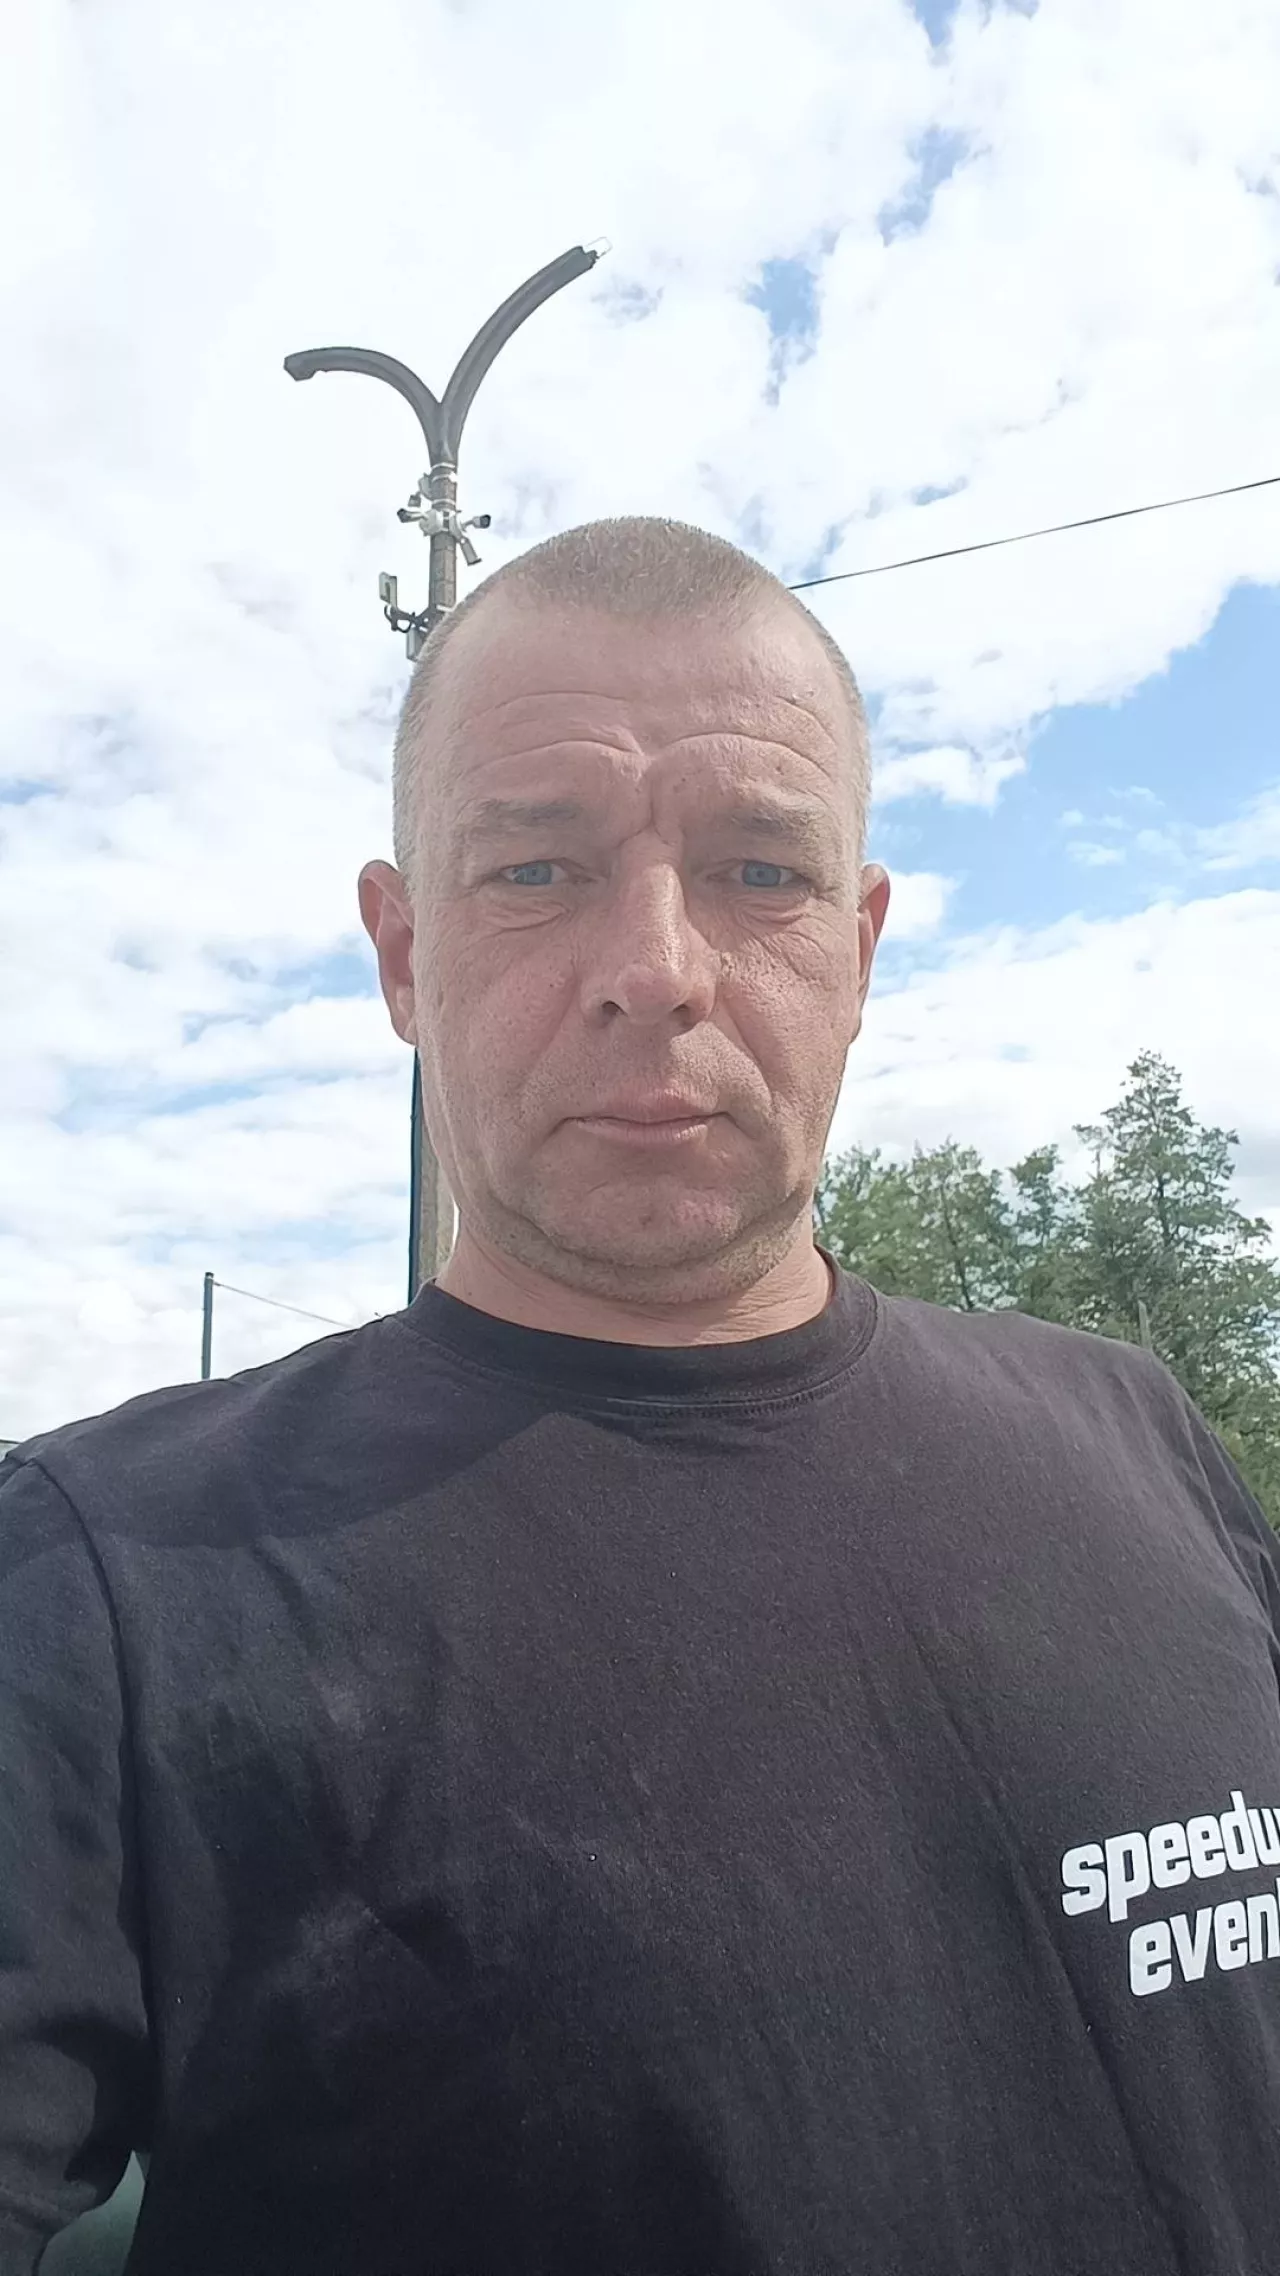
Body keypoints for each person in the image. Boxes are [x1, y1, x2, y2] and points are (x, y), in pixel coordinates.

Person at [2, 517, 1278, 2276]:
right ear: (400, 955)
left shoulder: (1140, 1437)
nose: (658, 964)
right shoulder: (98, 1587)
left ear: (860, 948)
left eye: (761, 870)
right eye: (536, 869)